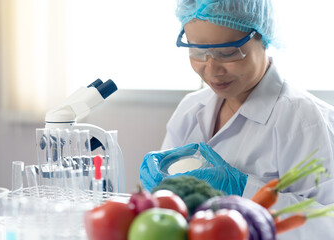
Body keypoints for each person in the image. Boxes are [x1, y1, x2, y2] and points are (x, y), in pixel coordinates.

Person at [140, 0, 334, 239]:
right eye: (198, 53)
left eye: (228, 53)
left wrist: (243, 190)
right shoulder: (191, 109)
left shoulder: (303, 120)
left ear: (262, 37)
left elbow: (326, 225)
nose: (211, 70)